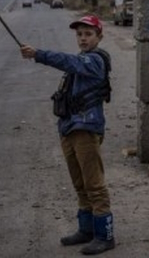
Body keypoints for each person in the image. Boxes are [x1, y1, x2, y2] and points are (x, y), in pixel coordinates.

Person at [20, 14, 115, 255]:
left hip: (86, 129)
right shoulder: (83, 58)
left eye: (88, 34)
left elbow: (68, 62)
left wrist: (39, 54)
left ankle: (105, 235)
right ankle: (86, 230)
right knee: (79, 183)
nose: (83, 39)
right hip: (70, 128)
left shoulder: (95, 60)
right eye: (79, 34)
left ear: (99, 37)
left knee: (94, 184)